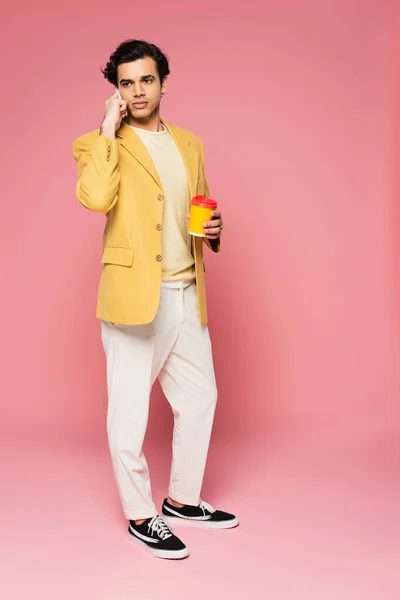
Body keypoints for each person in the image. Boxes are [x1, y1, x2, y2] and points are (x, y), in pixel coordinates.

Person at [72, 39, 239, 560]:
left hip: (189, 290)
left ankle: (183, 501)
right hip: (136, 296)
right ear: (116, 92)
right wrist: (105, 130)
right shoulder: (99, 143)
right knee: (129, 413)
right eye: (126, 83)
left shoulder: (189, 143)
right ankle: (142, 515)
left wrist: (213, 229)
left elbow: (199, 207)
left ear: (164, 82)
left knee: (200, 399)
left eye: (146, 79)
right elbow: (96, 198)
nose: (138, 90)